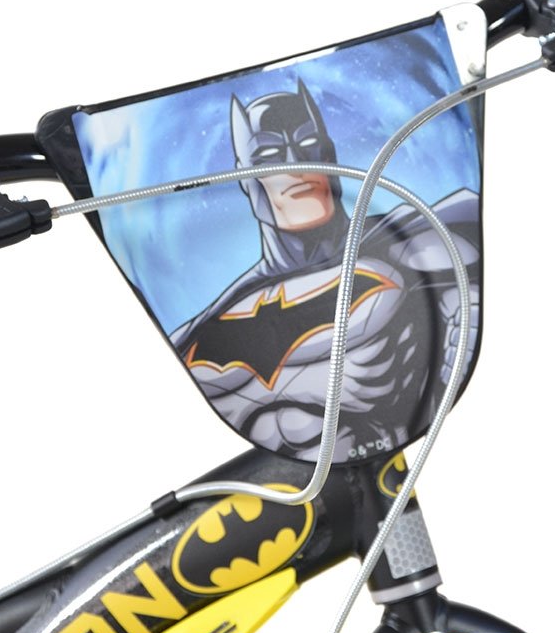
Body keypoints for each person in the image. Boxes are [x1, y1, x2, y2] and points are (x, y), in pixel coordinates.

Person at [171, 80, 480, 463]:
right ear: (246, 180)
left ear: (329, 155)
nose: (296, 164)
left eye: (307, 145)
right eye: (270, 154)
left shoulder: (426, 240)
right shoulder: (204, 334)